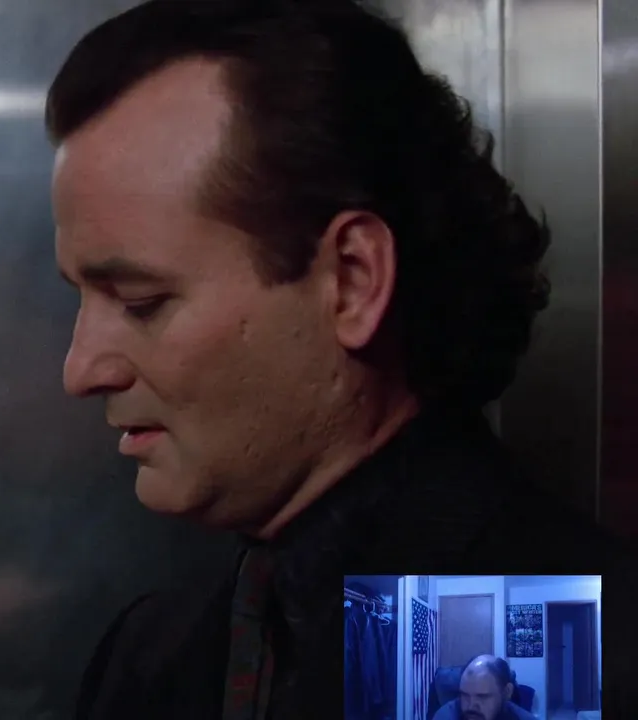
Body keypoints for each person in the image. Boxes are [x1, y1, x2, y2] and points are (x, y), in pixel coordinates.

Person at [44, 0, 637, 717]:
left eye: (141, 302)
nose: (82, 370)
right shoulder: (160, 648)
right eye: (82, 298)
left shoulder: (546, 649)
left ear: (351, 281)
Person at [431, 656, 535, 720]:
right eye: (465, 695)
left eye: (482, 697)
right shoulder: (446, 716)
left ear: (507, 692)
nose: (471, 706)